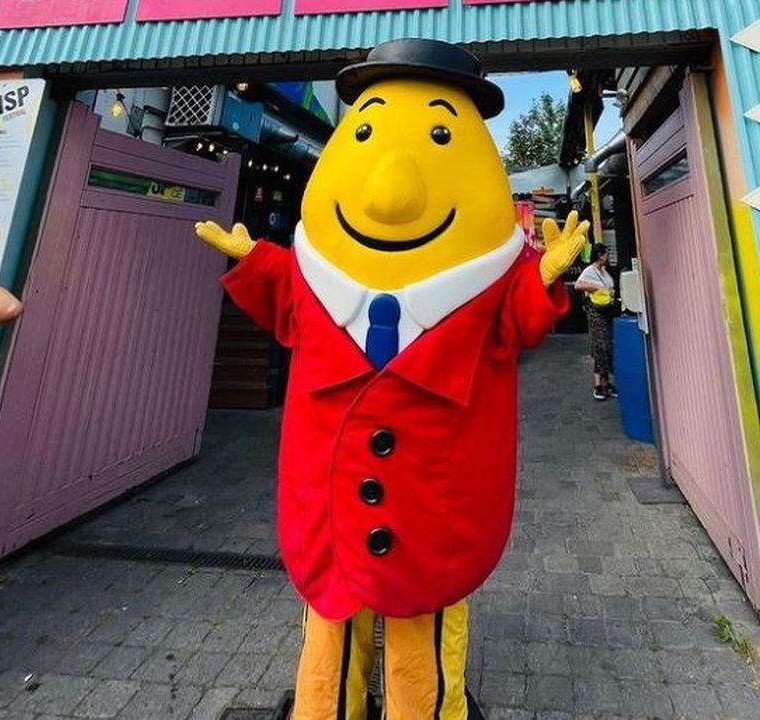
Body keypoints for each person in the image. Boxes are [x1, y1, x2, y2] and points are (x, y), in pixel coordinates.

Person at [194, 38, 587, 720]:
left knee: (423, 636)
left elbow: (516, 321)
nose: (391, 191)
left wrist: (543, 282)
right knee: (329, 623)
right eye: (366, 128)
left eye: (443, 134)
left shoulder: (486, 292)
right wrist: (256, 261)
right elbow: (289, 301)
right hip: (331, 508)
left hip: (436, 511)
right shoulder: (313, 282)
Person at [575, 242, 618, 401]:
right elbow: (578, 285)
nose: (608, 256)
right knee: (600, 346)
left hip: (607, 311)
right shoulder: (590, 271)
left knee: (607, 346)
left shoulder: (604, 271)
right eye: (606, 253)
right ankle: (598, 384)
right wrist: (594, 287)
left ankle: (606, 383)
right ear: (600, 255)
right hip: (596, 313)